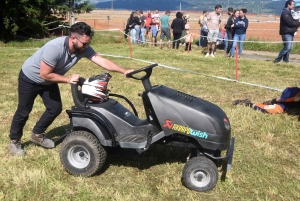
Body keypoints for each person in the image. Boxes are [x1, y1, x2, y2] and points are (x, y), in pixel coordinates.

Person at [8, 22, 133, 156]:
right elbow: (44, 74)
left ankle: (37, 134)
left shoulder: (82, 48)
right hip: (30, 78)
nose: (86, 47)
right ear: (73, 38)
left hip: (49, 81)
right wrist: (68, 79)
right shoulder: (55, 48)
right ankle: (14, 141)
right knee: (23, 111)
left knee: (54, 108)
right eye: (84, 43)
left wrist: (123, 71)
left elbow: (100, 60)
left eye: (88, 43)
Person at [233, 87, 300, 115]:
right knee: (271, 109)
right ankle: (248, 103)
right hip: (291, 99)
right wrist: (274, 101)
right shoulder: (293, 92)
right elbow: (288, 94)